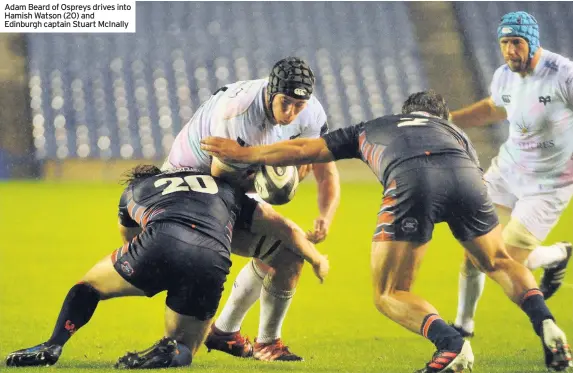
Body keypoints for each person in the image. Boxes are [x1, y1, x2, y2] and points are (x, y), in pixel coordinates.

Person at [200, 90, 573, 372]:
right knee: (498, 260)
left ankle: (451, 344)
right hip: (466, 174)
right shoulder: (455, 134)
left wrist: (246, 155)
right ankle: (548, 325)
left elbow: (303, 148)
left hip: (412, 179)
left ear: (405, 113)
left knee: (391, 292)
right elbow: (460, 180)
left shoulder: (374, 126)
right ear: (442, 118)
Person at [4, 165, 329, 369]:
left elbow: (130, 238)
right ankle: (170, 352)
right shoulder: (226, 190)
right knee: (185, 346)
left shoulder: (135, 190)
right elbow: (281, 226)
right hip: (212, 259)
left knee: (88, 286)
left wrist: (149, 270)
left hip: (159, 243)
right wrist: (316, 258)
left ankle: (54, 343)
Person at [163, 56, 340, 361]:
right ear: (271, 92)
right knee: (283, 244)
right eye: (285, 103)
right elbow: (221, 190)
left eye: (298, 106)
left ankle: (238, 336)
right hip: (187, 189)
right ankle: (201, 335)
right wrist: (273, 175)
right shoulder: (239, 116)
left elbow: (325, 167)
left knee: (285, 255)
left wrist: (325, 215)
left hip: (230, 182)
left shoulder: (310, 111)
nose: (291, 113)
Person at [447, 11, 573, 338]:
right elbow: (493, 109)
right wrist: (448, 119)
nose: (509, 51)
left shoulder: (563, 74)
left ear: (532, 42)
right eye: (504, 43)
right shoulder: (504, 75)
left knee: (508, 262)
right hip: (506, 172)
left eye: (516, 42)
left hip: (548, 185)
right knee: (475, 248)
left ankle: (556, 254)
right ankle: (464, 323)